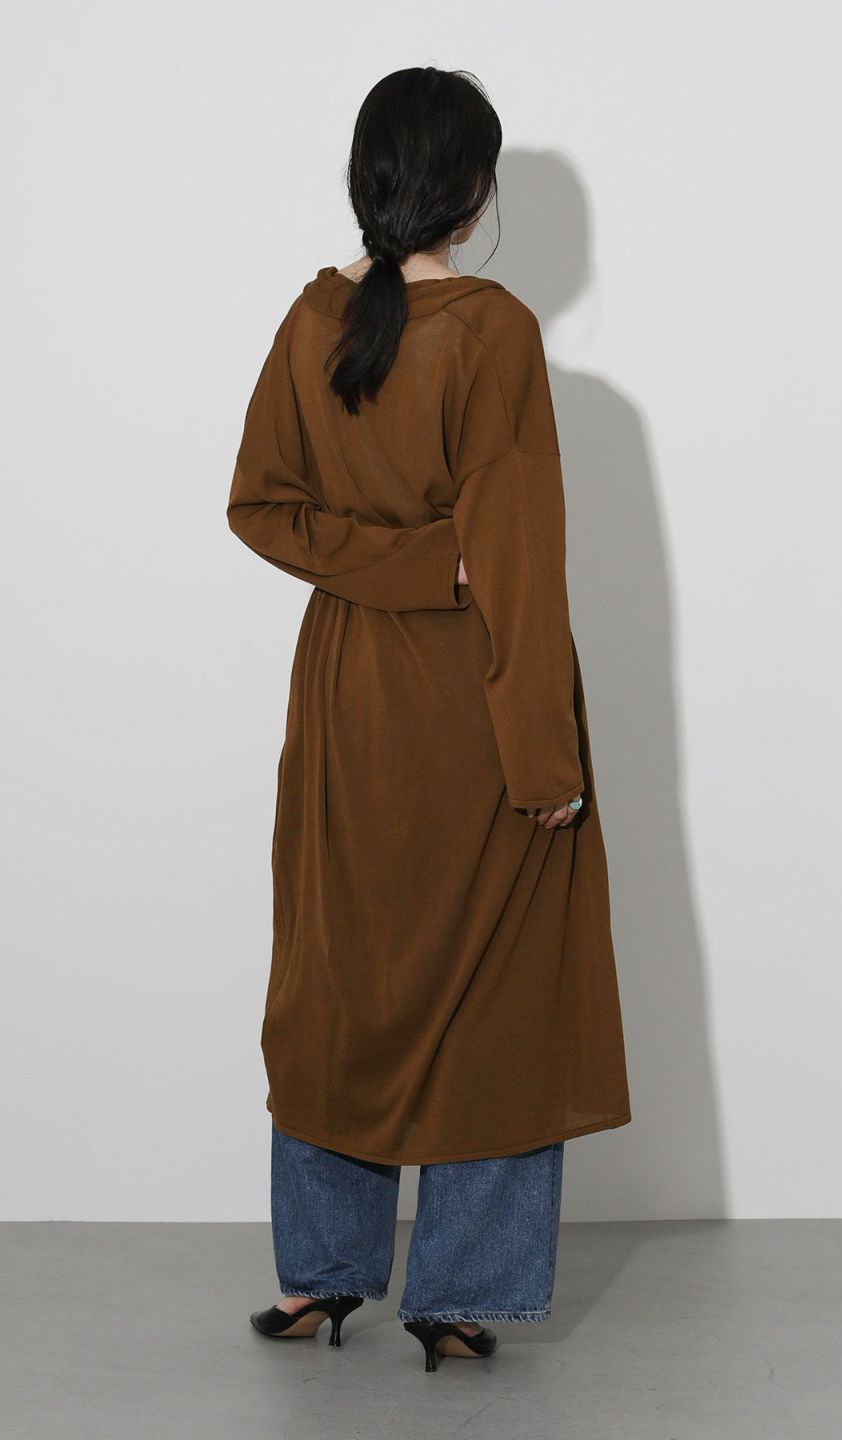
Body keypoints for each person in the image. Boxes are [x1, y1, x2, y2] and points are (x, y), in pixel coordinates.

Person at [227, 66, 631, 1373]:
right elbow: (511, 562)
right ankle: (454, 1294)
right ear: (473, 191)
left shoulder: (313, 319)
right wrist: (545, 762)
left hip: (347, 695)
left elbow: (261, 507)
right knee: (495, 992)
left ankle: (322, 1276)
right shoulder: (492, 333)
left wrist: (391, 566)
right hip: (471, 703)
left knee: (337, 979)